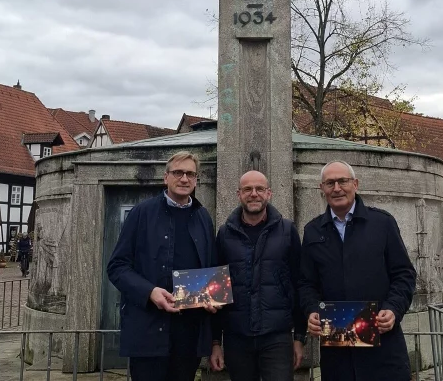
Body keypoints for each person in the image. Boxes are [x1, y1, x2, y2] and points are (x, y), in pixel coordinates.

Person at [299, 161, 416, 381]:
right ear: (321, 188)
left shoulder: (382, 223)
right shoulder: (313, 231)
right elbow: (306, 283)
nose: (337, 188)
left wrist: (393, 309)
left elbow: (404, 275)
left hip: (383, 348)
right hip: (337, 355)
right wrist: (311, 310)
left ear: (355, 184)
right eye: (330, 183)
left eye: (342, 181)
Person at [107, 151, 218, 381]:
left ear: (196, 180)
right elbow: (117, 267)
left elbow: (210, 269)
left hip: (188, 335)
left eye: (190, 174)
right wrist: (150, 292)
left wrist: (211, 295)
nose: (184, 178)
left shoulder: (203, 218)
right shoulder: (141, 214)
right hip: (148, 332)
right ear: (165, 177)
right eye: (178, 172)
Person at [209, 171, 307, 381]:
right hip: (237, 336)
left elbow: (299, 284)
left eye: (259, 189)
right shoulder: (225, 234)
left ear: (269, 193)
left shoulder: (287, 231)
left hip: (277, 336)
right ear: (239, 194)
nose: (254, 194)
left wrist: (299, 337)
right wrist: (216, 342)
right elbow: (215, 290)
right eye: (247, 189)